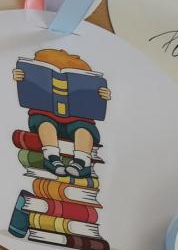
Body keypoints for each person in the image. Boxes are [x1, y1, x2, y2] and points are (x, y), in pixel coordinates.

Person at [12, 48, 111, 179]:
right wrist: (21, 77)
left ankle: (82, 162)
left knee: (83, 131)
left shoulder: (81, 67)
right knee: (46, 125)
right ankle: (52, 157)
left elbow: (94, 98)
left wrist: (102, 95)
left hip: (79, 120)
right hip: (45, 115)